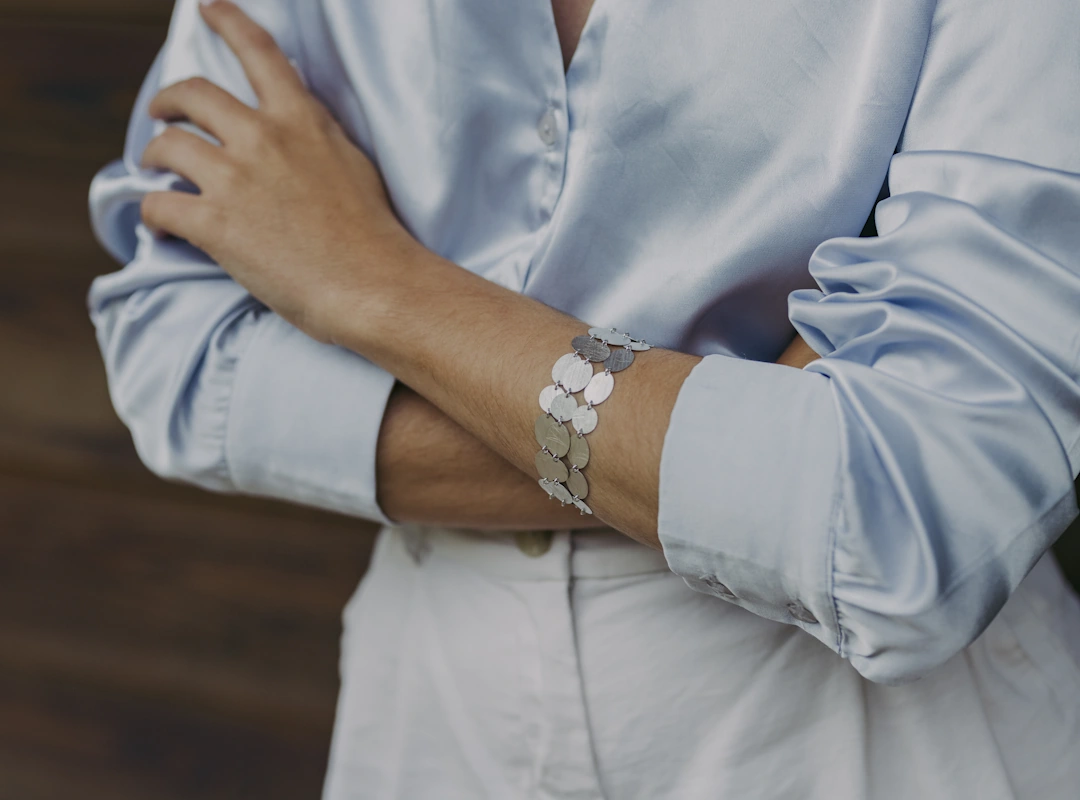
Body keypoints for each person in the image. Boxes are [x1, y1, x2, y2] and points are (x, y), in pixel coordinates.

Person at [88, 0, 1080, 796]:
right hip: (428, 710)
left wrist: (378, 285)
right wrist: (758, 436)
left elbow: (905, 514)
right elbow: (175, 361)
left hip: (874, 734)